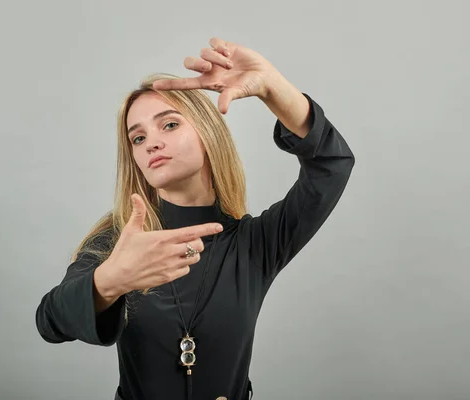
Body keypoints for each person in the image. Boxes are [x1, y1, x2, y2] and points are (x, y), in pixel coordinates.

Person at [35, 37, 355, 400]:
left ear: (208, 132)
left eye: (169, 125)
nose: (151, 143)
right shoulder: (122, 240)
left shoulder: (255, 244)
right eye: (137, 138)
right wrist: (109, 281)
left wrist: (272, 87)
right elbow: (49, 321)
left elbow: (331, 166)